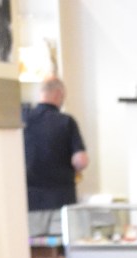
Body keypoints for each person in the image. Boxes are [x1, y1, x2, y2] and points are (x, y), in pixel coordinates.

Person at [24, 77, 88, 242]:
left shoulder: (24, 119)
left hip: (30, 199)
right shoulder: (66, 122)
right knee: (60, 249)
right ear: (59, 94)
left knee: (36, 250)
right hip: (62, 199)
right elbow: (80, 160)